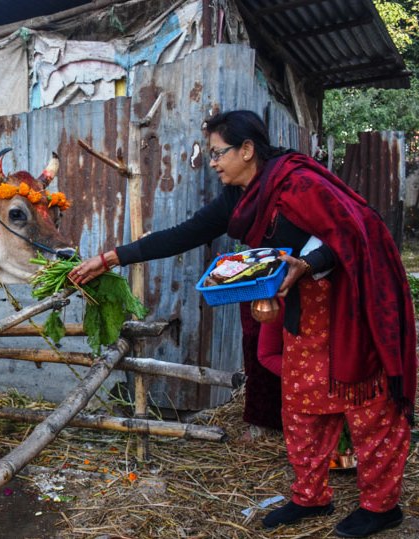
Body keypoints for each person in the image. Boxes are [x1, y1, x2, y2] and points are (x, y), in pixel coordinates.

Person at [68, 110, 416, 538]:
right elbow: (186, 233)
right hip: (303, 311)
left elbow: (356, 231)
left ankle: (382, 508)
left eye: (218, 153)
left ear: (247, 150)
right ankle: (311, 498)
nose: (212, 162)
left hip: (351, 306)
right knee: (302, 406)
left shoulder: (300, 182)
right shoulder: (241, 196)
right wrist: (111, 258)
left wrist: (308, 263)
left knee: (367, 407)